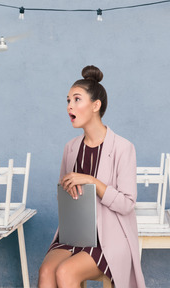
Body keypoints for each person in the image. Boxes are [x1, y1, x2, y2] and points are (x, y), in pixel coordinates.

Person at [38, 65, 145, 288]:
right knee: (47, 270)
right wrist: (67, 189)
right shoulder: (70, 147)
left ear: (96, 105)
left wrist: (93, 182)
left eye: (76, 99)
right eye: (68, 101)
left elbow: (127, 204)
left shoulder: (123, 148)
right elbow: (63, 197)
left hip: (110, 239)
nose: (69, 106)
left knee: (66, 272)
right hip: (74, 234)